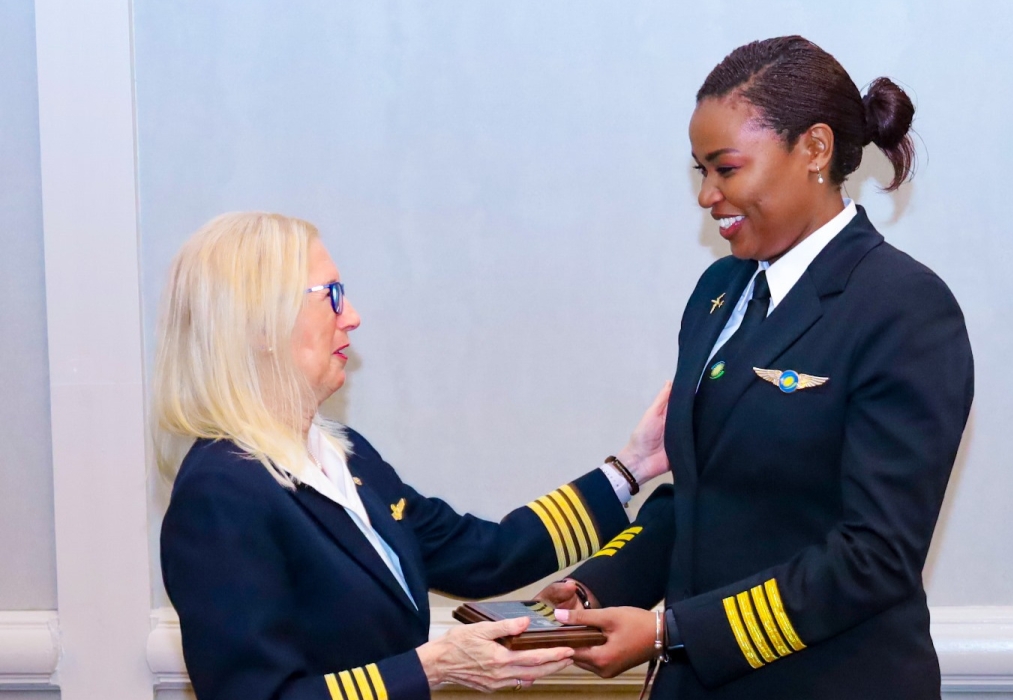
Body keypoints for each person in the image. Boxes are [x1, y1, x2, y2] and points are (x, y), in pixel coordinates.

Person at [540, 36, 974, 699]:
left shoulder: (903, 307)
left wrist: (669, 632)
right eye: (700, 171)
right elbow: (706, 493)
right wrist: (605, 582)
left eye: (727, 168)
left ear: (815, 151)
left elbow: (875, 556)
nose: (707, 196)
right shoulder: (718, 294)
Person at [155, 212, 672, 700]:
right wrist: (432, 667)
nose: (352, 317)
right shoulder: (221, 492)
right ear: (262, 324)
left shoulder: (344, 455)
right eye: (331, 296)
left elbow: (483, 554)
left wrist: (630, 469)